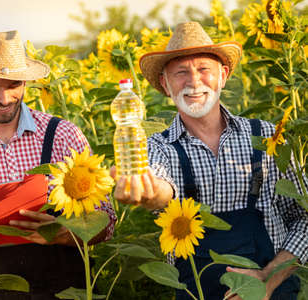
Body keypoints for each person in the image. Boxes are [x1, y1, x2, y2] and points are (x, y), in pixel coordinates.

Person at [113, 21, 307, 299]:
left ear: (223, 76)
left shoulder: (266, 137)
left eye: (204, 69)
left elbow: (305, 218)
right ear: (165, 85)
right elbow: (159, 186)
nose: (194, 81)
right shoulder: (158, 146)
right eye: (181, 73)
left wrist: (268, 279)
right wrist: (147, 191)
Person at [0, 30, 116, 300]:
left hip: (71, 291)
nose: (4, 99)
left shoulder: (63, 135)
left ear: (25, 83)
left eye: (13, 85)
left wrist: (60, 232)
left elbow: (106, 222)